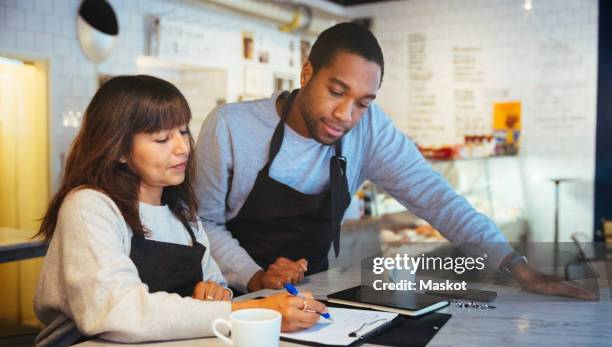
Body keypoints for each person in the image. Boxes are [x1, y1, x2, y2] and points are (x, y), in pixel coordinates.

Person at [195, 23, 594, 300]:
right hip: (234, 299)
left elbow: (436, 198)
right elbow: (203, 223)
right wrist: (256, 276)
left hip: (310, 295)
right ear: (306, 72)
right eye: (337, 91)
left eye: (363, 103)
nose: (346, 116)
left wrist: (517, 266)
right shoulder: (230, 128)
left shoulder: (369, 130)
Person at [34, 75, 326, 347]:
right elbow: (118, 311)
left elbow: (218, 287)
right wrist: (256, 309)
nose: (183, 148)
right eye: (162, 139)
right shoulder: (90, 206)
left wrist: (213, 294)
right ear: (119, 150)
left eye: (184, 131)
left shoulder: (182, 214)